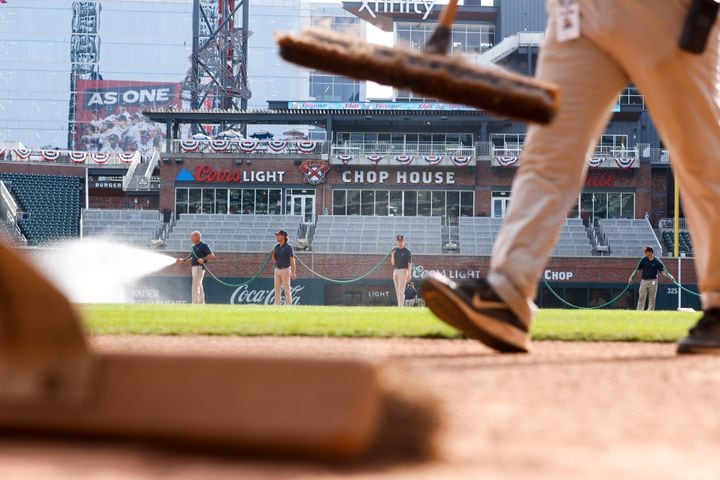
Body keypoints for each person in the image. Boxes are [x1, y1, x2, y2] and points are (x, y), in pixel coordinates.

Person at [421, 0, 720, 354]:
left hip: (665, 12)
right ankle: (507, 294)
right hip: (578, 15)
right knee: (546, 155)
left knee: (702, 160)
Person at [176, 231, 215, 304]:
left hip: (199, 267)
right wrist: (183, 260)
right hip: (194, 267)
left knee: (195, 285)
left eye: (192, 237)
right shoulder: (194, 247)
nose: (191, 238)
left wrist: (203, 259)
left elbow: (212, 255)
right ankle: (201, 303)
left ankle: (195, 303)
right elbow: (192, 258)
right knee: (199, 285)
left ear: (198, 236)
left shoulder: (203, 245)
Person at [629, 246, 670, 311]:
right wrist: (631, 277)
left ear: (650, 252)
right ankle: (639, 311)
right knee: (641, 297)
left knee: (652, 298)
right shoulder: (643, 260)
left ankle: (650, 311)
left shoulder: (657, 261)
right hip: (644, 281)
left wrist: (669, 276)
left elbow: (662, 271)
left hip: (653, 281)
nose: (644, 253)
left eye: (646, 251)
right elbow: (637, 270)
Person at [271, 230, 297, 305]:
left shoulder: (288, 247)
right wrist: (273, 254)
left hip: (285, 269)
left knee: (286, 289)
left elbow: (292, 260)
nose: (277, 237)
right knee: (277, 289)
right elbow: (274, 260)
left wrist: (293, 272)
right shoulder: (277, 247)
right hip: (277, 270)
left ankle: (288, 305)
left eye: (278, 235)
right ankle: (277, 305)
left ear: (283, 236)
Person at [391, 234, 413, 307]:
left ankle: (401, 307)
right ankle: (399, 306)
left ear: (403, 241)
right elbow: (393, 263)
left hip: (403, 271)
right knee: (397, 290)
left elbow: (410, 264)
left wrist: (409, 274)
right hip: (396, 271)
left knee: (401, 290)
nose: (400, 242)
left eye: (401, 241)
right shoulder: (395, 251)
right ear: (397, 241)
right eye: (398, 241)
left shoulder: (407, 251)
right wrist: (392, 255)